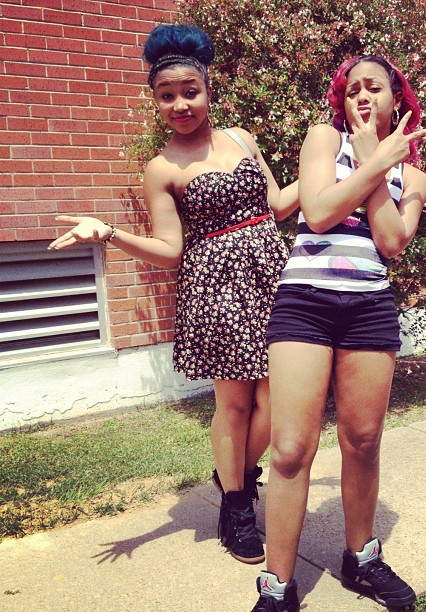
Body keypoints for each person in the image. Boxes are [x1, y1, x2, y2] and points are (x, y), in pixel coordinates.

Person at [48, 23, 299, 565]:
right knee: (235, 404)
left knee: (279, 401)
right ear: (155, 101)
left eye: (190, 91)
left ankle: (234, 475)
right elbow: (169, 250)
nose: (180, 104)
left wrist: (341, 171)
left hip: (271, 276)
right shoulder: (160, 168)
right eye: (167, 96)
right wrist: (109, 233)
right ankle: (237, 508)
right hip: (215, 288)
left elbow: (279, 206)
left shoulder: (242, 139)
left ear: (208, 88)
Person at [251, 56, 426, 611]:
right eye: (352, 90)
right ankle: (278, 586)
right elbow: (319, 211)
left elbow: (392, 241)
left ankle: (362, 559)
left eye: (374, 87)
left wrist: (380, 161)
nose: (362, 96)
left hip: (369, 307)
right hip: (304, 304)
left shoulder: (414, 176)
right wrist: (374, 162)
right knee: (289, 450)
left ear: (396, 99)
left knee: (363, 441)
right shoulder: (323, 140)